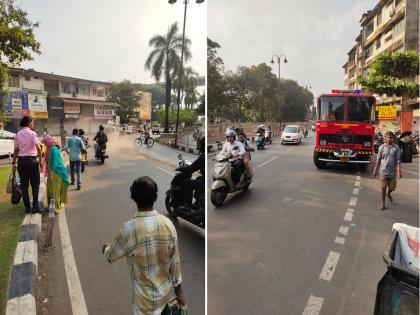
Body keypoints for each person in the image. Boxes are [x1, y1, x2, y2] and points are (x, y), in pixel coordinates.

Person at [102, 176, 185, 315]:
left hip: (142, 304)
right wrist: (179, 292)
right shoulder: (168, 225)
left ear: (134, 198)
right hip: (163, 298)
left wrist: (105, 249)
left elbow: (110, 256)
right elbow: (175, 263)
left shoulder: (129, 229)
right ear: (155, 197)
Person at [12, 116, 43, 213]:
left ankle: (27, 208)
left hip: (21, 162)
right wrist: (41, 161)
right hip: (32, 161)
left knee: (24, 186)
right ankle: (35, 207)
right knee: (35, 185)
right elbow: (38, 148)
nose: (33, 124)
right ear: (28, 123)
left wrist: (13, 162)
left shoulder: (17, 134)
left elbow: (16, 150)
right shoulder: (33, 133)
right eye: (32, 123)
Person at [373, 131, 402, 210]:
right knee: (383, 188)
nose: (389, 139)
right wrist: (375, 170)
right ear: (385, 138)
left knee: (392, 188)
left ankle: (389, 194)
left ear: (393, 138)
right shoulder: (381, 147)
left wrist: (399, 172)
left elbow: (398, 161)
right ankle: (383, 204)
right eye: (388, 137)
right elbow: (378, 160)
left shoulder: (396, 147)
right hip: (383, 171)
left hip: (392, 173)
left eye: (391, 137)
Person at [177, 135, 205, 212]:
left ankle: (187, 205)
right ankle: (197, 202)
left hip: (204, 183)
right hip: (204, 180)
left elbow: (191, 168)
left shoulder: (203, 156)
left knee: (185, 182)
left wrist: (181, 168)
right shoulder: (203, 156)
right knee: (197, 179)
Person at [43, 135, 70, 213]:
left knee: (55, 191)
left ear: (49, 141)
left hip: (57, 173)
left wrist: (51, 174)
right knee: (51, 190)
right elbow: (47, 162)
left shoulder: (54, 149)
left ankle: (56, 208)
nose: (45, 143)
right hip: (51, 173)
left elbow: (54, 163)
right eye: (44, 142)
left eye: (46, 142)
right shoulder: (49, 149)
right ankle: (51, 207)